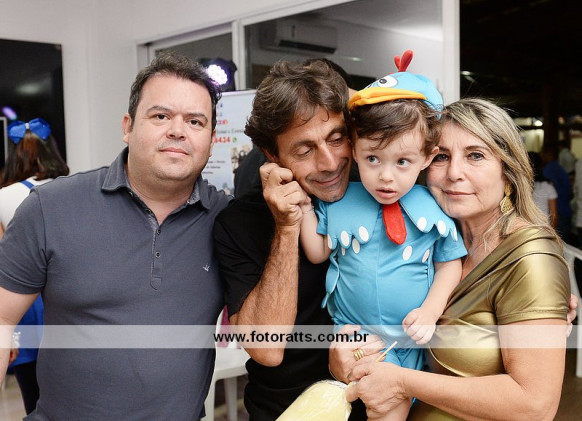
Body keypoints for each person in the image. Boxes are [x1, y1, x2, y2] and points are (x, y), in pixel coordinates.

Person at [0, 52, 229, 420]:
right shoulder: (51, 207)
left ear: (212, 139)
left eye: (195, 121)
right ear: (128, 126)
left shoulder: (227, 221)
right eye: (160, 116)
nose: (178, 130)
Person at [342, 98, 571, 420]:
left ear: (507, 171)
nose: (453, 173)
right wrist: (350, 355)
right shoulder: (433, 241)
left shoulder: (530, 259)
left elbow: (536, 406)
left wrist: (403, 382)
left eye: (475, 155)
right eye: (442, 157)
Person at [299, 54, 466, 420]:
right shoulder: (340, 201)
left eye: (402, 162)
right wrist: (303, 210)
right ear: (354, 148)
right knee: (383, 405)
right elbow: (317, 252)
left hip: (413, 338)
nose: (386, 177)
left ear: (427, 157)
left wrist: (430, 311)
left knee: (394, 404)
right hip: (360, 338)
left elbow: (450, 264)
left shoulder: (434, 206)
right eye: (373, 159)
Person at [213, 58, 375, 420]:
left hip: (382, 404)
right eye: (304, 150)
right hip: (286, 409)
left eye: (337, 138)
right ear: (273, 155)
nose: (330, 162)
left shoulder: (378, 189)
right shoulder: (239, 222)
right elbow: (266, 349)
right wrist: (287, 227)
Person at [0, 117, 69, 414]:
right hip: (68, 300)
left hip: (23, 306)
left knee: (33, 396)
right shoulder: (73, 188)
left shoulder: (2, 197)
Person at [542, 145, 572, 242]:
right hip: (565, 210)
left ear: (549, 155)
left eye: (544, 154)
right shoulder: (561, 169)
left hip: (556, 212)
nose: (543, 156)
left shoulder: (548, 170)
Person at [529, 151, 558, 228]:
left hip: (524, 230)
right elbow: (554, 216)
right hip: (543, 229)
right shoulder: (548, 186)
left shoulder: (519, 186)